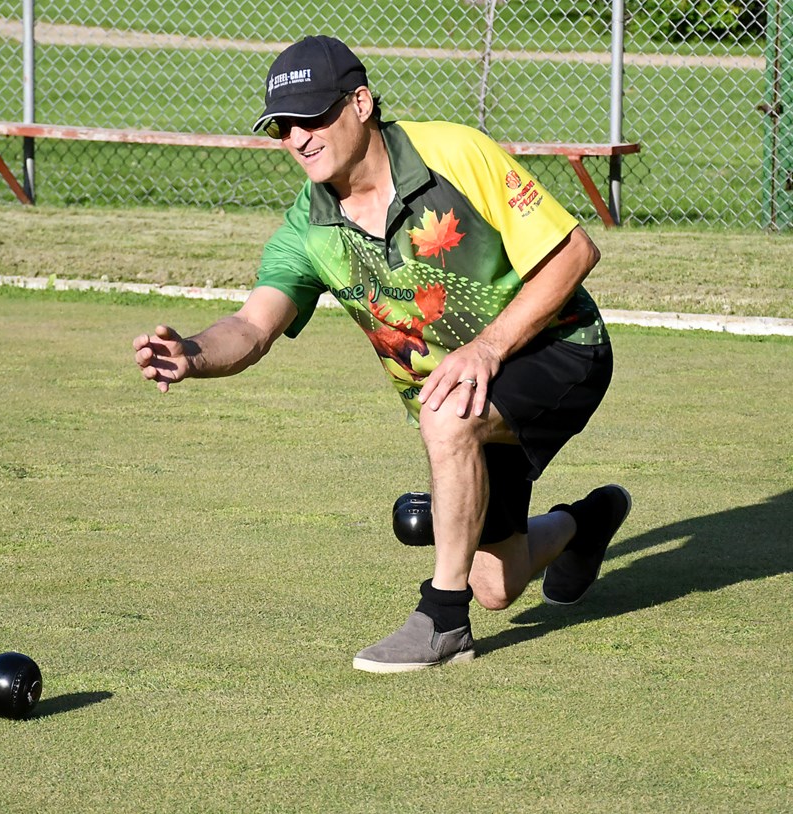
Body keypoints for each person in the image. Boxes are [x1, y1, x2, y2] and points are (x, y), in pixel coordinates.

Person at [133, 35, 632, 673]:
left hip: (560, 345)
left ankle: (443, 622)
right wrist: (193, 353)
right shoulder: (308, 227)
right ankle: (582, 526)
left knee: (445, 416)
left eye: (312, 117)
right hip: (469, 390)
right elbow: (252, 325)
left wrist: (484, 349)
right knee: (499, 585)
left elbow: (574, 254)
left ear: (361, 103)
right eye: (283, 127)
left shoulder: (453, 152)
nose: (298, 138)